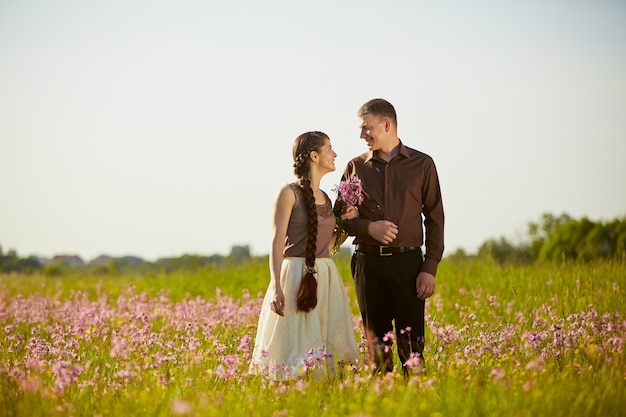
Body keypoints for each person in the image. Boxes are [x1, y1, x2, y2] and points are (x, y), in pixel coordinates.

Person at [334, 98, 445, 376]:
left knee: (413, 350)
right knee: (377, 353)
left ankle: (415, 404)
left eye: (366, 128)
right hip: (367, 266)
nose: (362, 136)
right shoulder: (355, 167)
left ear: (386, 124)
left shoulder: (422, 164)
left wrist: (429, 269)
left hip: (408, 266)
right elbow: (340, 216)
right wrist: (367, 227)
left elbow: (435, 219)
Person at [249, 131, 360, 381]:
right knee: (295, 345)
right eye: (329, 148)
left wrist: (344, 224)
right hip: (294, 277)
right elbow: (277, 242)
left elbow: (327, 245)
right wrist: (276, 287)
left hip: (326, 278)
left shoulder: (327, 198)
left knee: (326, 343)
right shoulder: (288, 193)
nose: (335, 154)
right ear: (313, 155)